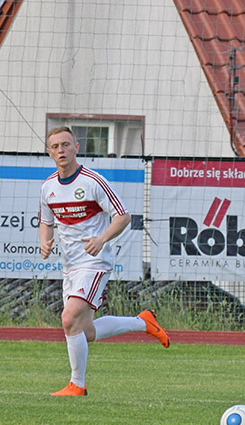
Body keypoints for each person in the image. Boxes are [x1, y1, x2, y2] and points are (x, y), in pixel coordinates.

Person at [39, 126, 170, 396]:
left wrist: (101, 239)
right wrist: (45, 240)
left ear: (76, 146)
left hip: (94, 263)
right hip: (70, 267)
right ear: (49, 152)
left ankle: (77, 384)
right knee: (83, 332)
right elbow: (46, 221)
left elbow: (123, 217)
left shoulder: (93, 181)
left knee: (68, 319)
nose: (61, 150)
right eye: (55, 146)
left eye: (66, 144)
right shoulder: (48, 187)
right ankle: (143, 322)